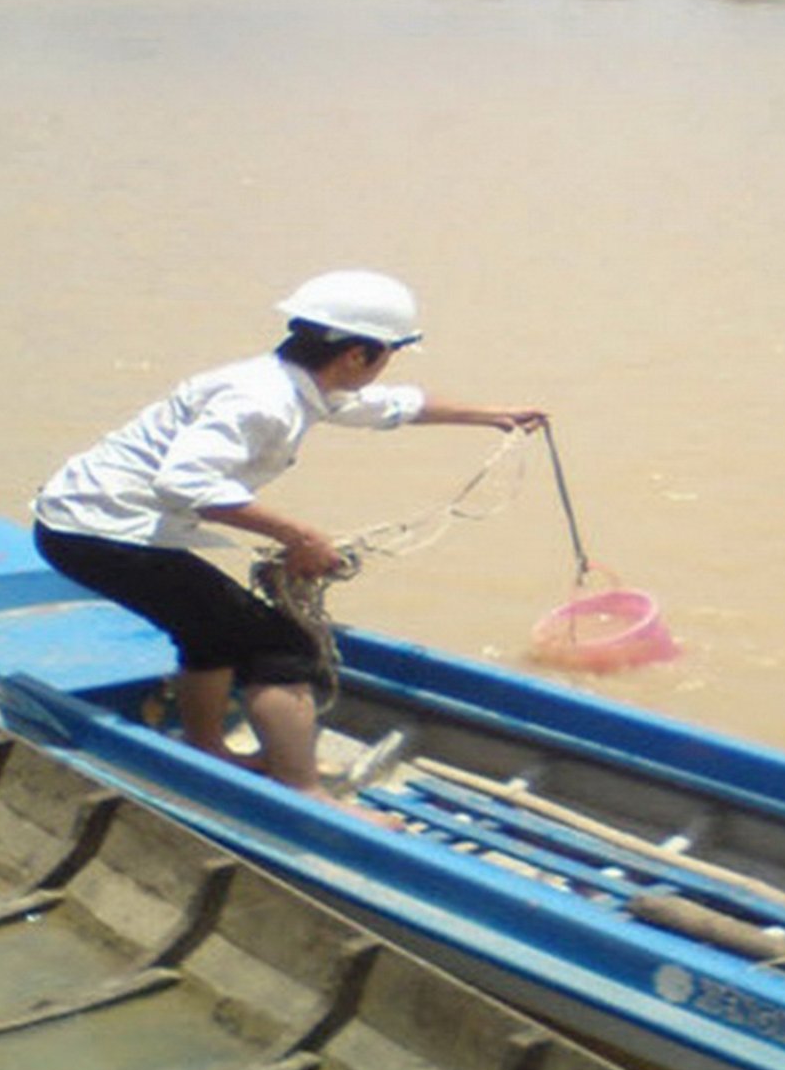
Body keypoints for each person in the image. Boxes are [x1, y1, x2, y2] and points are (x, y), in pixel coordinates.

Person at [32, 269, 545, 804]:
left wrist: (495, 417)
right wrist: (300, 536)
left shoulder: (300, 385)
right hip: (99, 533)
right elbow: (185, 482)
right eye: (387, 352)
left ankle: (205, 745)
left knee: (211, 632)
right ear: (355, 356)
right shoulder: (263, 400)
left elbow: (393, 406)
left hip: (95, 522)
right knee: (281, 647)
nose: (387, 364)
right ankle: (302, 789)